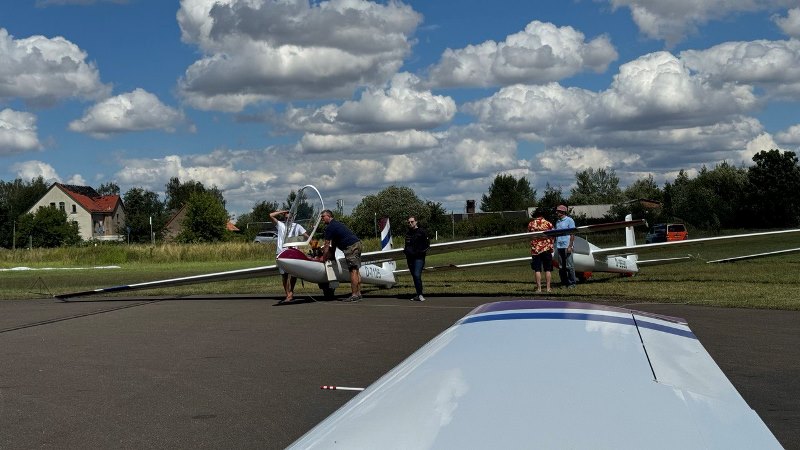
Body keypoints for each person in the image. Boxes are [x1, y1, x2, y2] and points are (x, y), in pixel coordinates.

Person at [320, 209, 362, 302]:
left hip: (351, 247)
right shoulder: (336, 224)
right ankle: (358, 293)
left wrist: (324, 257)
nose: (321, 219)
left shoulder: (330, 227)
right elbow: (334, 244)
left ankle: (354, 295)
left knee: (353, 270)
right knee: (356, 270)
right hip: (357, 244)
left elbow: (326, 245)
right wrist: (332, 256)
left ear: (328, 216)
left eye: (323, 217)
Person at [270, 209, 308, 302]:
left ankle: (291, 292)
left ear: (293, 217)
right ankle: (288, 294)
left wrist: (306, 242)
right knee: (284, 275)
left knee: (294, 274)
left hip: (293, 252)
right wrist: (282, 211)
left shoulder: (297, 226)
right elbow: (271, 215)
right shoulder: (280, 225)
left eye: (289, 217)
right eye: (286, 217)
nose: (288, 219)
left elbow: (306, 236)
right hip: (281, 252)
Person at [403, 215, 430, 302]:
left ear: (416, 222)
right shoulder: (408, 233)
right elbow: (407, 244)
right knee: (414, 276)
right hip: (410, 258)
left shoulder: (422, 232)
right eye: (409, 222)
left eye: (412, 222)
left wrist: (420, 252)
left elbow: (427, 245)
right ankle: (418, 294)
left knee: (417, 275)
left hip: (419, 258)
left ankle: (420, 295)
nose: (410, 223)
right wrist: (406, 251)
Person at [527, 210, 554, 293]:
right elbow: (553, 235)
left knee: (537, 270)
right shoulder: (548, 223)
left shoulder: (531, 224)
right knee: (548, 269)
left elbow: (528, 235)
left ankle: (539, 288)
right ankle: (548, 288)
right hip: (546, 249)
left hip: (535, 249)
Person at [554, 204, 577, 288]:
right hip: (559, 246)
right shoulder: (557, 222)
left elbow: (572, 233)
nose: (556, 212)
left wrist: (570, 246)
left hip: (567, 246)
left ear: (563, 212)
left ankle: (572, 283)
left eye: (558, 211)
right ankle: (564, 282)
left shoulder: (569, 220)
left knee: (569, 266)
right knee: (561, 266)